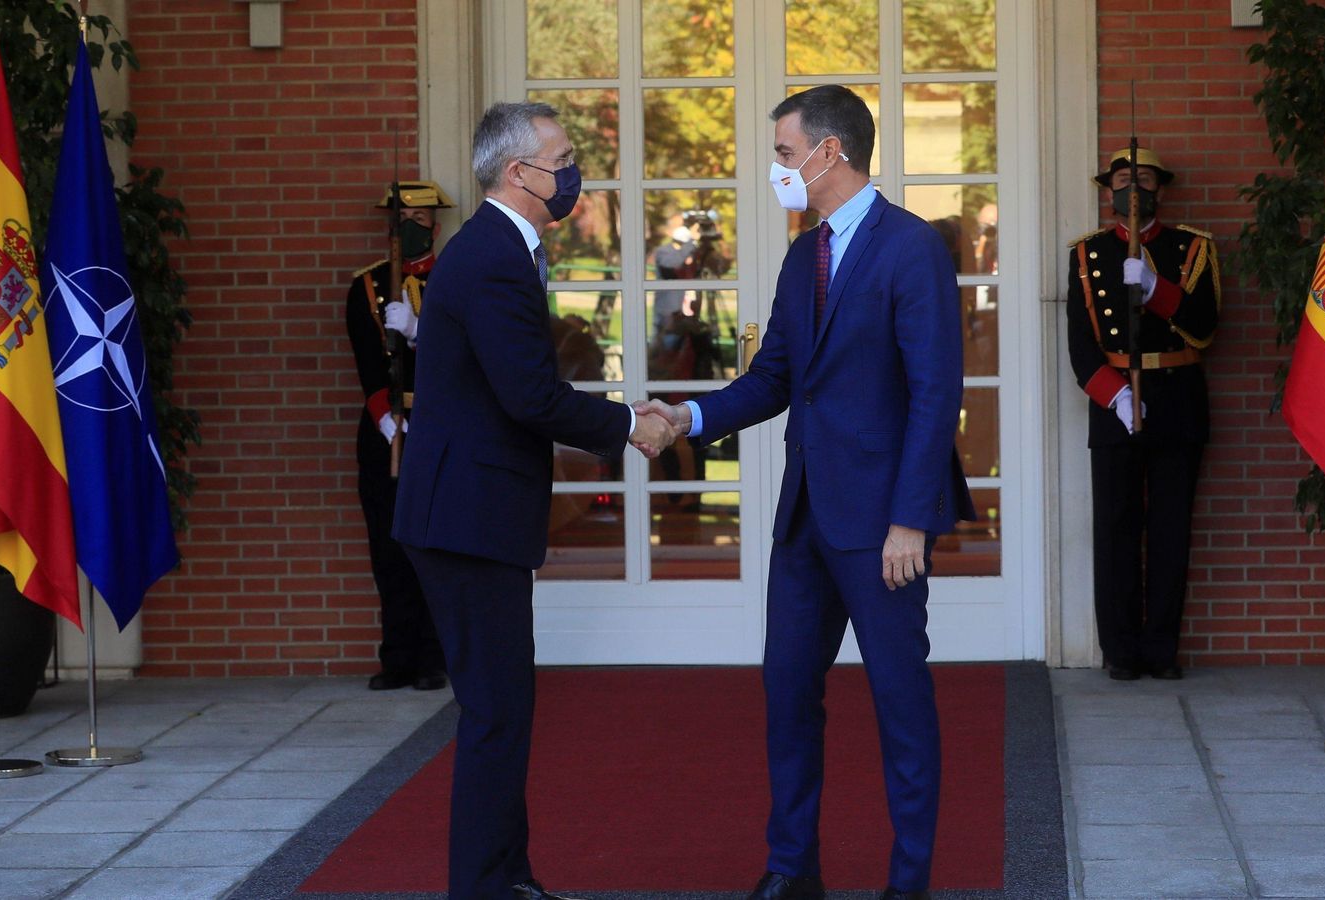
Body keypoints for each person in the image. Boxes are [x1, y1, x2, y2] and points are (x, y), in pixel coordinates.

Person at [641, 84, 973, 900]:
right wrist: (687, 415)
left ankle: (910, 880)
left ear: (831, 151)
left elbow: (936, 391)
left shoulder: (912, 247)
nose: (777, 169)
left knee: (901, 705)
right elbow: (775, 379)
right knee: (787, 695)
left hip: (880, 526)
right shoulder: (803, 255)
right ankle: (792, 868)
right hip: (804, 524)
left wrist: (910, 519)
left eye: (785, 153)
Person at [391, 101, 677, 900]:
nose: (573, 170)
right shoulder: (490, 256)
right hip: (466, 521)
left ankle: (506, 878)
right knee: (495, 715)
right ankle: (484, 888)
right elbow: (530, 396)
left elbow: (516, 388)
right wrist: (628, 423)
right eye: (562, 156)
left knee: (504, 709)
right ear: (519, 173)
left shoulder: (498, 250)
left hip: (472, 515)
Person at [1065, 147, 1220, 682]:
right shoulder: (1087, 255)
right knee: (1116, 529)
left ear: (1162, 189)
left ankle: (1161, 649)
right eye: (1125, 180)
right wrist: (1117, 396)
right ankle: (1122, 650)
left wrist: (1157, 290)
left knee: (1171, 530)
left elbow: (1206, 327)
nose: (1135, 188)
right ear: (1109, 190)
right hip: (1115, 403)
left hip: (1177, 397)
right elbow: (1081, 348)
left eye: (1145, 179)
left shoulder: (1191, 248)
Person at [345, 180, 453, 692]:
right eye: (402, 220)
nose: (412, 227)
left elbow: (464, 358)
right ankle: (398, 656)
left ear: (437, 223)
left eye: (421, 219)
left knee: (434, 547)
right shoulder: (366, 286)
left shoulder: (455, 281)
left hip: (442, 430)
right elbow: (368, 364)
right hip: (386, 430)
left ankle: (435, 657)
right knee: (388, 548)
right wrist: (388, 418)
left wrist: (419, 332)